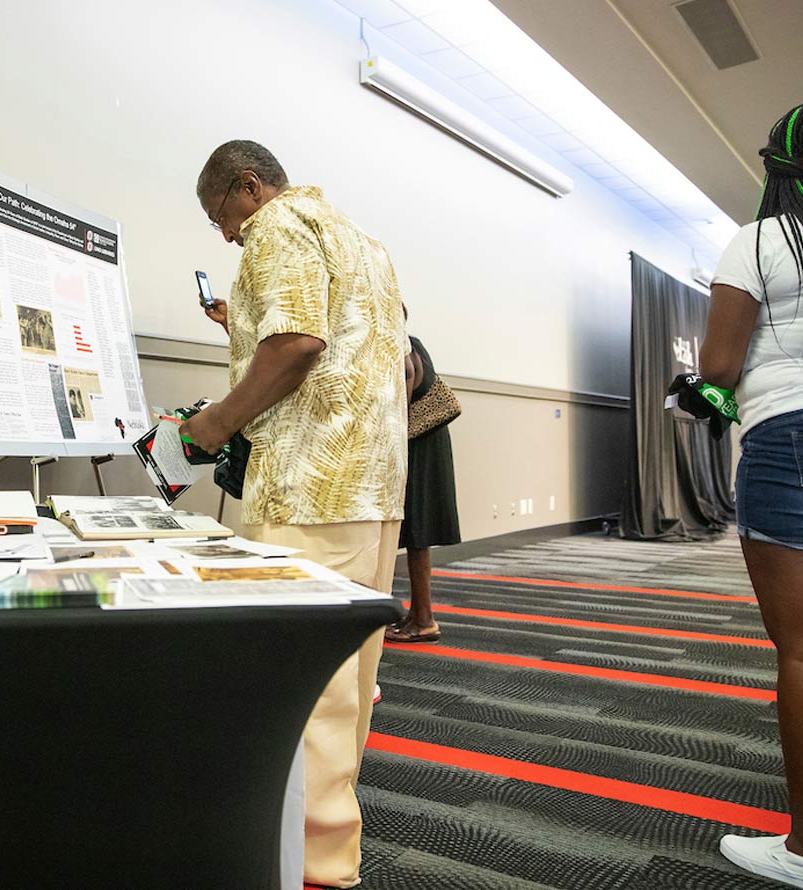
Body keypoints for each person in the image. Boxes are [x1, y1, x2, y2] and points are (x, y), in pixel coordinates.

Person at [182, 140, 407, 888]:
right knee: (345, 687)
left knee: (302, 692)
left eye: (222, 217)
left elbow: (299, 343)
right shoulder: (359, 238)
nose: (226, 236)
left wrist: (214, 424)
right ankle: (329, 855)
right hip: (372, 489)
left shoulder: (276, 227)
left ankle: (309, 869)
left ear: (249, 187)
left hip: (311, 486)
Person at [697, 102, 803, 888]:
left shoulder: (760, 241)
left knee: (802, 649)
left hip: (789, 438)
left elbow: (721, 368)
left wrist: (701, 390)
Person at [386, 332, 461, 643]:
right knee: (419, 534)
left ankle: (424, 620)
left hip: (415, 443)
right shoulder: (410, 341)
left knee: (418, 531)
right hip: (427, 441)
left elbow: (406, 383)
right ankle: (418, 614)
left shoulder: (399, 344)